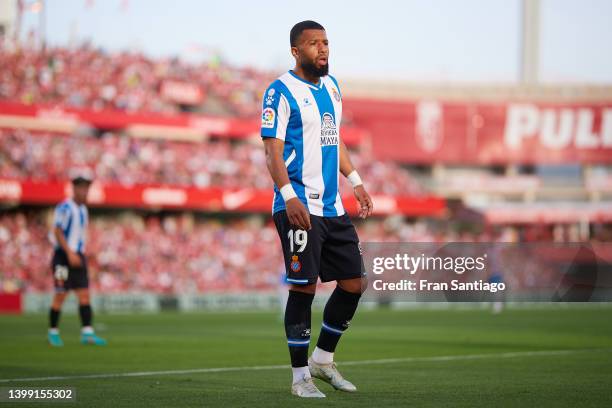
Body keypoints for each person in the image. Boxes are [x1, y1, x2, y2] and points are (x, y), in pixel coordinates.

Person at [261, 20, 373, 398]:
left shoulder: (333, 87)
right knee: (305, 287)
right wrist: (289, 196)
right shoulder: (279, 91)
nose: (323, 49)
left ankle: (322, 360)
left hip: (332, 206)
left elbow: (334, 139)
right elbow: (271, 152)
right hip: (298, 206)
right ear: (296, 50)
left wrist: (355, 181)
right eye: (314, 44)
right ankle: (299, 379)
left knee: (355, 282)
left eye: (326, 43)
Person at [47, 170, 107, 347]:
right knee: (61, 294)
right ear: (74, 189)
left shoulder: (83, 209)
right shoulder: (64, 207)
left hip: (77, 256)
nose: (84, 191)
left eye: (87, 188)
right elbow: (57, 231)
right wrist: (69, 253)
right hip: (62, 257)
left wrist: (83, 251)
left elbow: (79, 235)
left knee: (84, 295)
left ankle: (87, 333)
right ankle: (53, 333)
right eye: (81, 188)